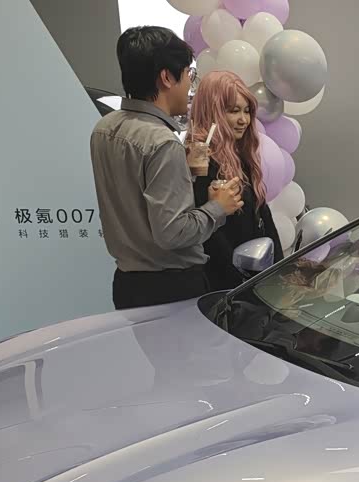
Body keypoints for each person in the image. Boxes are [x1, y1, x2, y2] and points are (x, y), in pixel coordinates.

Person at [90, 26, 244, 310]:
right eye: (188, 75)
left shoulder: (104, 129)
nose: (189, 86)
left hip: (127, 283)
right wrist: (218, 207)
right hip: (172, 288)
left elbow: (133, 196)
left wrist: (183, 173)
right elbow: (173, 233)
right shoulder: (162, 142)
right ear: (166, 77)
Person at [187, 71, 282, 292]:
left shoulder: (243, 158)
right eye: (233, 111)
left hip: (255, 280)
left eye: (247, 111)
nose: (243, 120)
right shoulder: (199, 161)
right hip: (224, 287)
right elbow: (210, 236)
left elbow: (263, 216)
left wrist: (279, 271)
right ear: (213, 111)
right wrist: (240, 281)